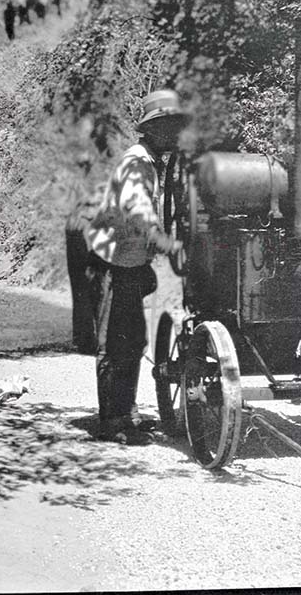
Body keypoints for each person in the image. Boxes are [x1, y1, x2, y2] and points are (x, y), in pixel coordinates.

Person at [83, 89, 188, 445]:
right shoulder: (138, 162)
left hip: (130, 261)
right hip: (111, 262)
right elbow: (138, 208)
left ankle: (126, 413)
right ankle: (112, 421)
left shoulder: (154, 161)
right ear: (155, 128)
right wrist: (162, 239)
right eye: (170, 126)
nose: (176, 134)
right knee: (114, 343)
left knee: (133, 340)